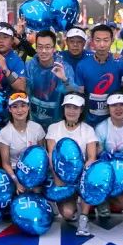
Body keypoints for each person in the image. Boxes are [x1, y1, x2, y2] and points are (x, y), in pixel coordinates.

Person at [44, 94, 99, 236]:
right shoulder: (54, 128)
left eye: (75, 108)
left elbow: (91, 157)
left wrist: (83, 177)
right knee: (67, 214)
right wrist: (59, 181)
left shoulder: (88, 129)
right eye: (68, 107)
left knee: (91, 175)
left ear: (81, 110)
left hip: (82, 175)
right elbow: (52, 156)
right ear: (63, 109)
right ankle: (72, 206)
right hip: (62, 177)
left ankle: (84, 218)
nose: (71, 111)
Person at [73, 24, 123, 127]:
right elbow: (79, 94)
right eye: (98, 40)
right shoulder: (82, 65)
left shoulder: (119, 62)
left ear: (112, 41)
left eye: (106, 40)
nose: (102, 44)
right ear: (92, 42)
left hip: (114, 121)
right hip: (89, 121)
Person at [23, 30, 74, 128]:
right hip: (33, 123)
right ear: (36, 48)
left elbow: (73, 93)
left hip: (57, 124)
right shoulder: (29, 66)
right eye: (40, 47)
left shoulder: (64, 68)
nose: (43, 51)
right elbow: (24, 92)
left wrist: (64, 79)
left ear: (54, 49)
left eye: (47, 47)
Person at [0, 92, 47, 194]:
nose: (19, 110)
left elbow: (42, 156)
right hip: (14, 171)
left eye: (23, 106)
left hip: (34, 170)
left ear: (28, 107)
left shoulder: (37, 128)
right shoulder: (5, 133)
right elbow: (6, 164)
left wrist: (36, 178)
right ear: (10, 109)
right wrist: (16, 182)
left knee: (37, 190)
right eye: (15, 107)